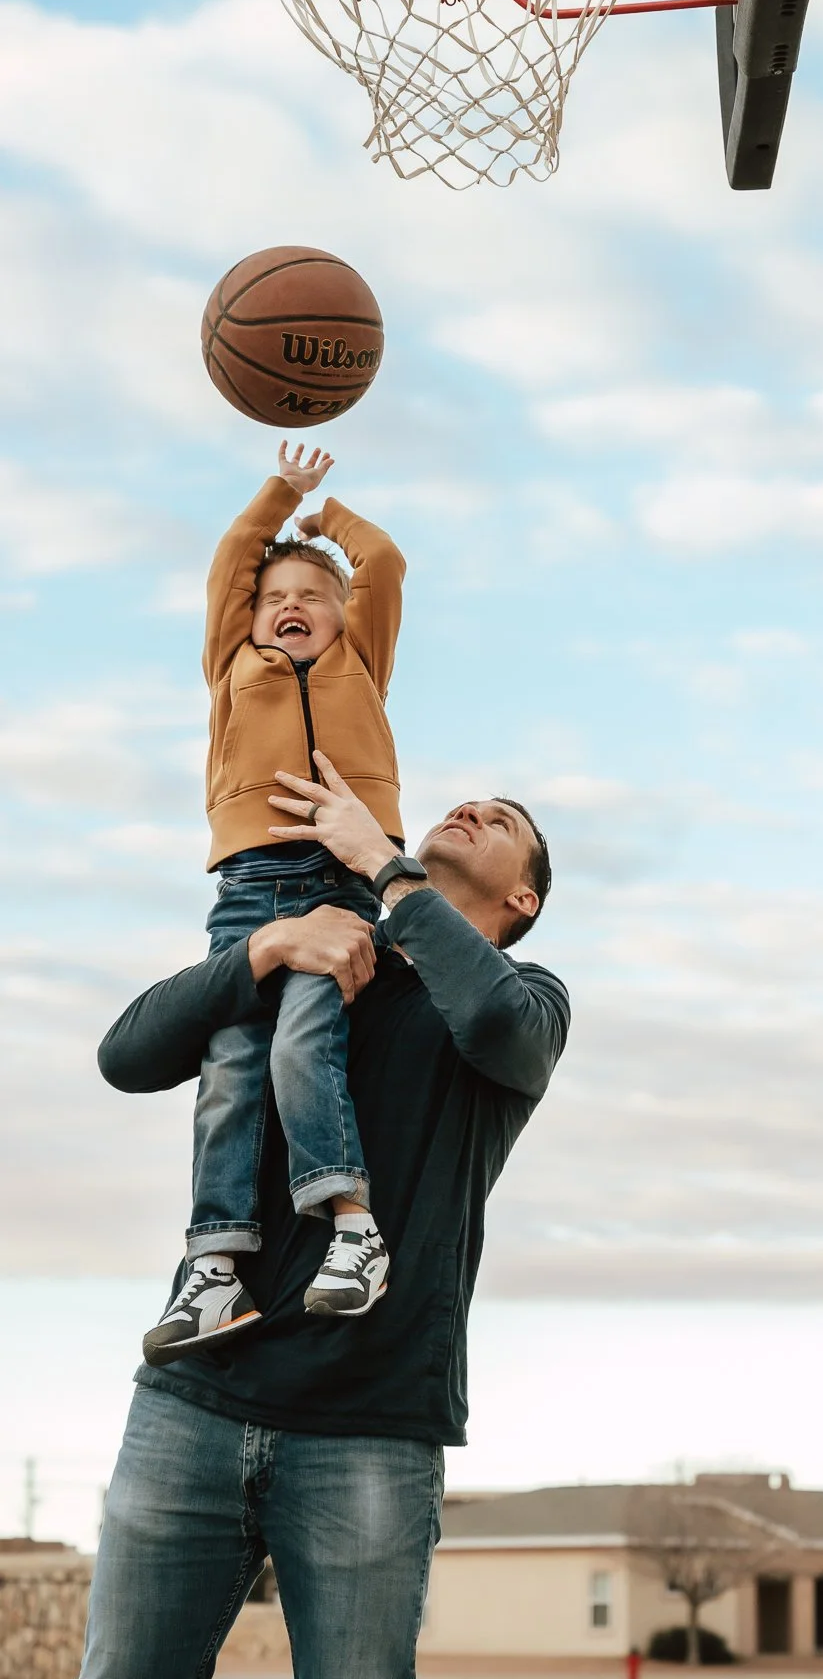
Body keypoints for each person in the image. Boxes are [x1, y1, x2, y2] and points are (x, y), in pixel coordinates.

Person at [82, 761, 568, 1679]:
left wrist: (386, 869)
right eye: (464, 802)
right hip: (194, 1402)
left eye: (498, 819)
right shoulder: (321, 957)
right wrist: (266, 950)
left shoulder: (526, 998)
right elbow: (126, 1055)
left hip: (371, 1428)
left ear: (523, 896)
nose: (468, 808)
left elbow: (499, 1024)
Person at [144, 440, 409, 1365]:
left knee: (305, 1042)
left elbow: (383, 564)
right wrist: (276, 498)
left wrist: (322, 520)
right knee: (230, 1070)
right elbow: (229, 564)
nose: (292, 605)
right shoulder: (231, 669)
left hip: (336, 885)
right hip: (246, 895)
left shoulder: (362, 666)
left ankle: (353, 1229)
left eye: (314, 595)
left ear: (345, 619)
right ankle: (214, 1269)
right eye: (275, 597)